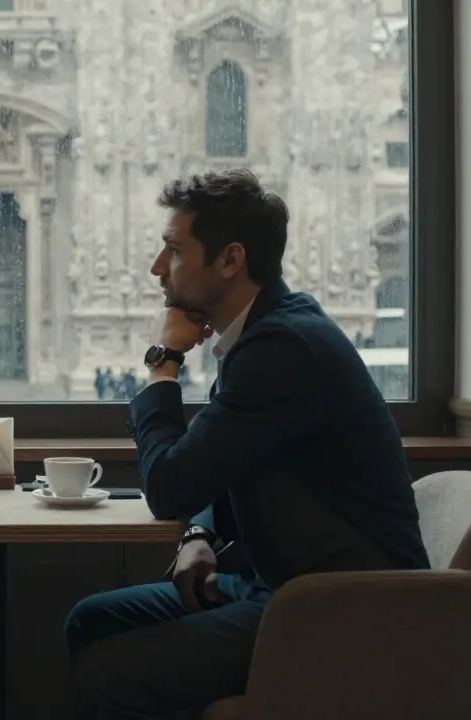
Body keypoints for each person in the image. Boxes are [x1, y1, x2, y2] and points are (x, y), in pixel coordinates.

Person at [63, 170, 431, 718]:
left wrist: (163, 363)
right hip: (283, 583)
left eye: (173, 251)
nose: (156, 268)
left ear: (230, 260)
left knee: (109, 674)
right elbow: (227, 458)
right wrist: (199, 534)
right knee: (90, 620)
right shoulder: (268, 332)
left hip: (341, 606)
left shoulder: (280, 348)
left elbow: (168, 485)